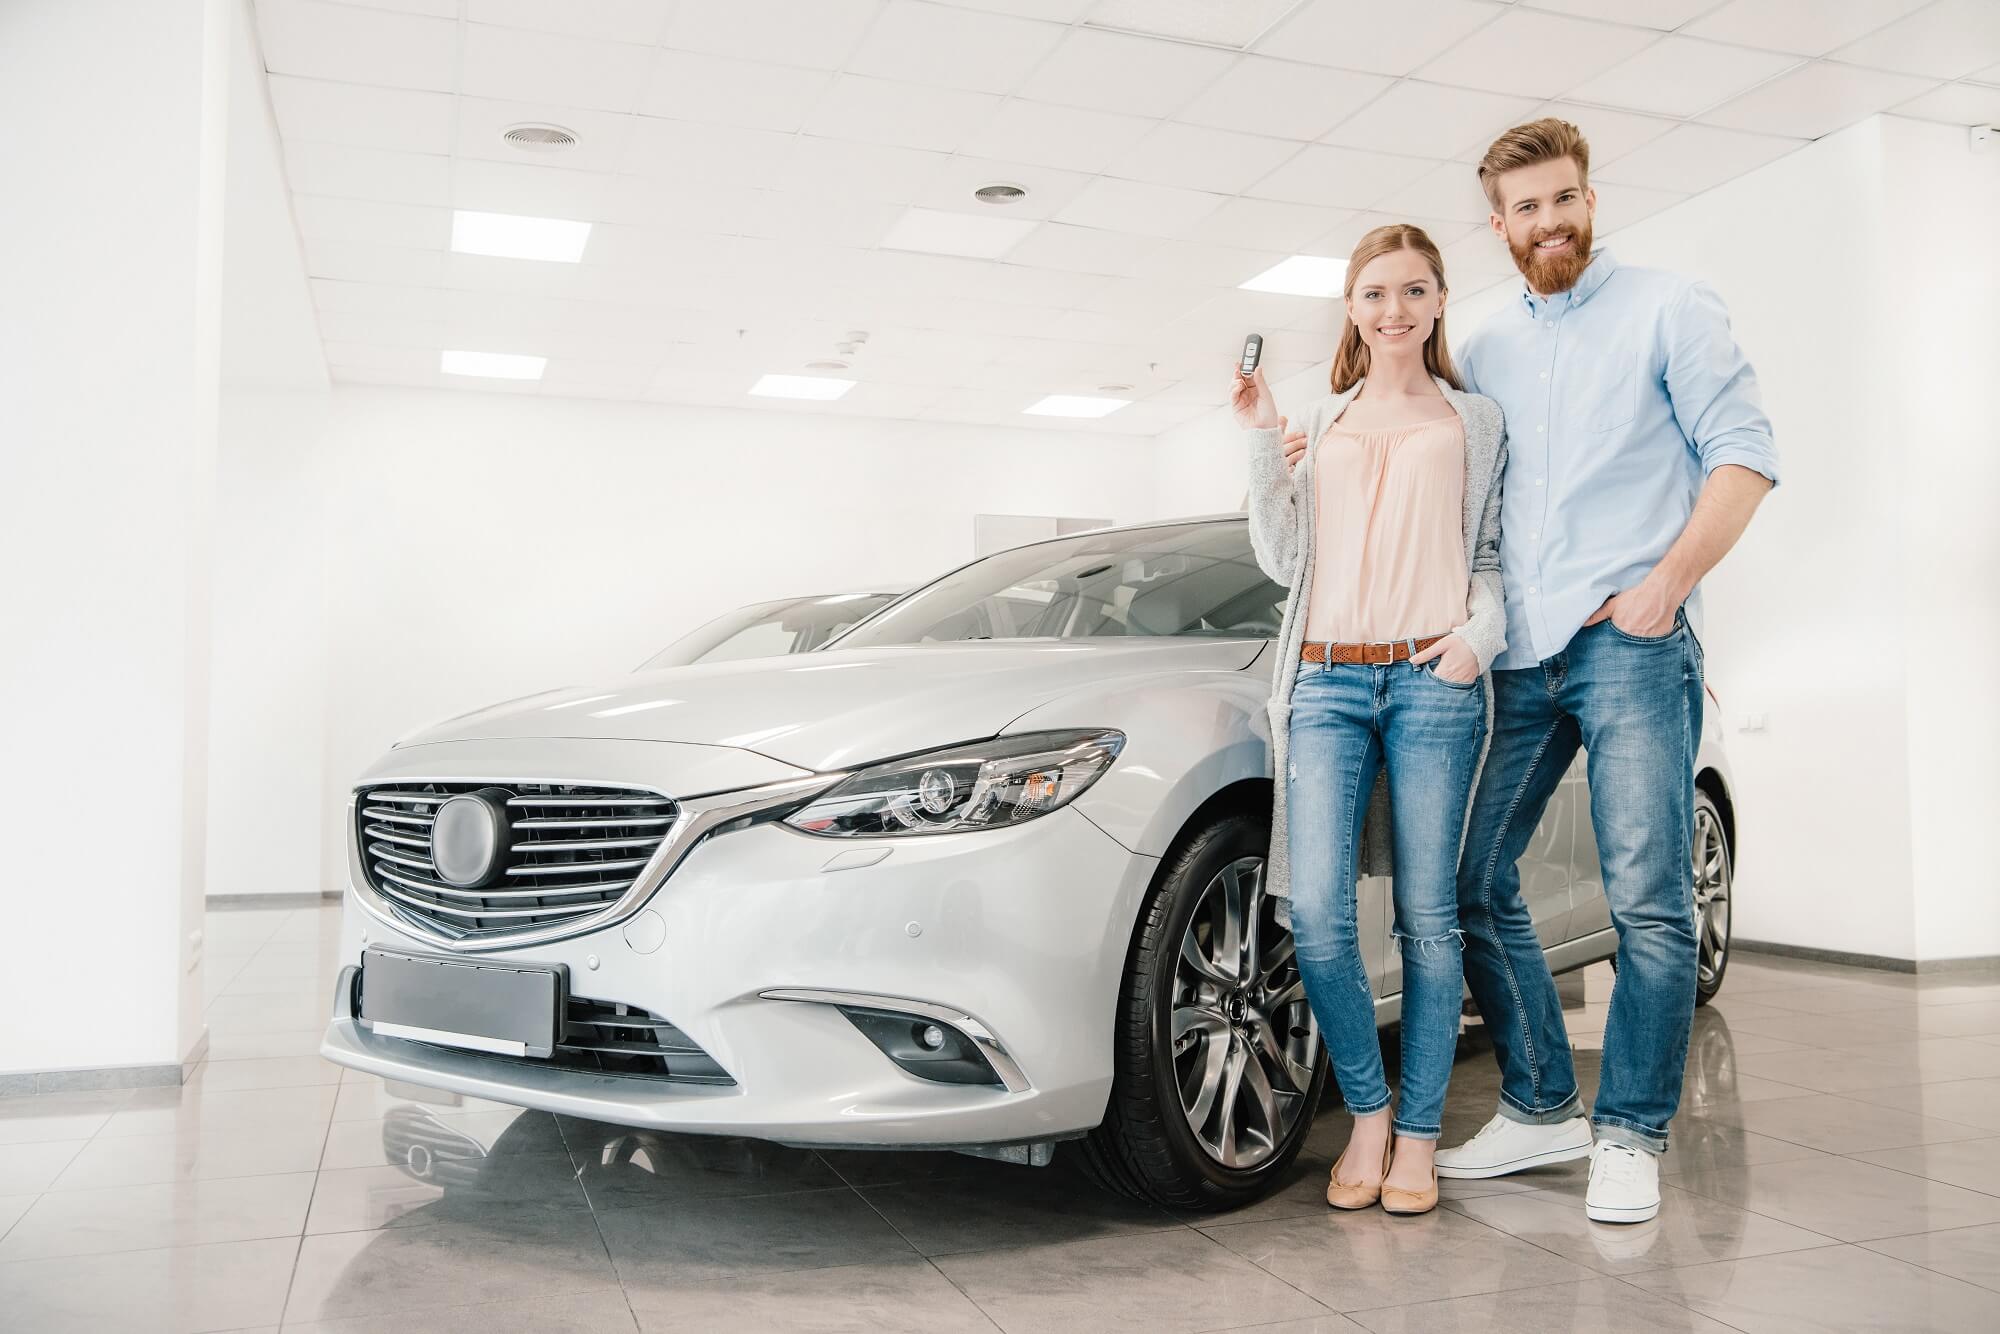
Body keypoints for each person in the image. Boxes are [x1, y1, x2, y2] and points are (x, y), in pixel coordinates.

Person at [1433, 118, 1779, 1224]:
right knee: (1469, 877)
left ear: (1590, 199)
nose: (1549, 222)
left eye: (1563, 199)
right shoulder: (1487, 347)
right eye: (1526, 209)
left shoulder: (1670, 306)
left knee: (1646, 897)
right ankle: (1540, 1104)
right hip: (1522, 656)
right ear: (1498, 226)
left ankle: (1629, 1129)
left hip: (1630, 642)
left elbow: (1744, 455)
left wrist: (1665, 583)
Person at [1236, 223, 1507, 1216]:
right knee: (1314, 914)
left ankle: (1420, 1132)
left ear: (1437, 301)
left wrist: (1478, 633)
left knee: (1428, 923)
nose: (1391, 309)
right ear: (1349, 310)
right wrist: (1264, 441)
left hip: (1433, 680)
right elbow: (1281, 558)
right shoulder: (1323, 417)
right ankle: (1367, 1112)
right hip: (1324, 682)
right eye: (1372, 293)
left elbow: (1492, 550)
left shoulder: (1475, 419)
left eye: (1412, 290)